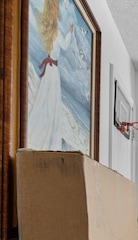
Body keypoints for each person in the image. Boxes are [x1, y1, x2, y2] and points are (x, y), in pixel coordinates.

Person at [28, 0, 74, 150]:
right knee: (50, 103)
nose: (59, 11)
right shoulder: (56, 33)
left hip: (50, 69)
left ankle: (42, 133)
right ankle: (48, 138)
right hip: (52, 70)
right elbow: (65, 45)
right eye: (56, 8)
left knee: (45, 100)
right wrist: (71, 33)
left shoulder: (50, 31)